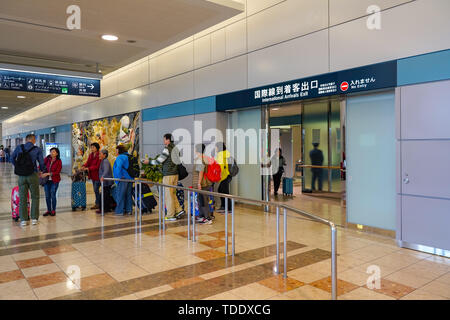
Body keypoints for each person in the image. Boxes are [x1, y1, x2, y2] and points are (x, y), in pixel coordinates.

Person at [142, 133, 184, 221]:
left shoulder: (167, 149)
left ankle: (170, 215)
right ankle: (179, 210)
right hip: (175, 174)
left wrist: (148, 162)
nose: (163, 141)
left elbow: (158, 161)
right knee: (172, 193)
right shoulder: (176, 148)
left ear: (168, 140)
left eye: (164, 139)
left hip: (168, 175)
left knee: (168, 196)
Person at [11, 134, 45, 226]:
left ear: (26, 140)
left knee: (22, 198)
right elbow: (41, 162)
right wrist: (41, 171)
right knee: (35, 197)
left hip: (21, 176)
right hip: (32, 174)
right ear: (33, 140)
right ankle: (34, 219)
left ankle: (23, 220)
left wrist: (18, 167)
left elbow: (12, 158)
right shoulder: (37, 149)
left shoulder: (19, 147)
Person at [193, 144, 213, 224]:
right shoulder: (205, 157)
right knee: (200, 199)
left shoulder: (200, 159)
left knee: (203, 200)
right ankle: (202, 216)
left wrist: (199, 183)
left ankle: (207, 218)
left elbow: (201, 171)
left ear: (197, 150)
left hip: (203, 183)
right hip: (205, 182)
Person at [113, 144, 133, 216]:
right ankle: (129, 210)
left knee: (120, 195)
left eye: (116, 150)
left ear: (118, 150)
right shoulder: (128, 156)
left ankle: (119, 211)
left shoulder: (120, 157)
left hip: (122, 178)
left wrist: (119, 176)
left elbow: (118, 167)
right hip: (130, 178)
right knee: (128, 194)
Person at [42, 147, 62, 217]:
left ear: (56, 153)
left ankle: (53, 210)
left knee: (53, 195)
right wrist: (40, 171)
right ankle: (48, 210)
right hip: (47, 181)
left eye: (53, 152)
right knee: (47, 196)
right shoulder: (47, 159)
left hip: (55, 180)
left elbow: (57, 171)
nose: (52, 153)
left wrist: (47, 174)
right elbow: (41, 165)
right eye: (51, 151)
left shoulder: (59, 161)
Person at [81, 143, 101, 210]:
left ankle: (98, 203)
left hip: (98, 175)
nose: (92, 149)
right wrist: (84, 166)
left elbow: (98, 166)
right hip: (92, 175)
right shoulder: (91, 155)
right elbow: (88, 162)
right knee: (95, 190)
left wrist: (88, 168)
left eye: (93, 147)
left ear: (97, 148)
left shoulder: (99, 155)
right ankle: (98, 203)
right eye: (91, 147)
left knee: (96, 189)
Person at [215, 142, 231, 213]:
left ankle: (227, 208)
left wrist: (218, 174)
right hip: (227, 175)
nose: (215, 148)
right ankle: (225, 207)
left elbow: (220, 166)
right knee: (223, 191)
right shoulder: (225, 153)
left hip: (224, 176)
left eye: (216, 147)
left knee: (223, 192)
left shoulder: (220, 154)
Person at [98, 149, 114, 214]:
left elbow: (106, 170)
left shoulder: (105, 161)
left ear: (104, 155)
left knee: (105, 196)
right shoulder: (103, 161)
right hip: (105, 182)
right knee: (105, 195)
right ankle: (105, 208)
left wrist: (102, 177)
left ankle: (105, 208)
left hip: (106, 182)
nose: (99, 155)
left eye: (100, 154)